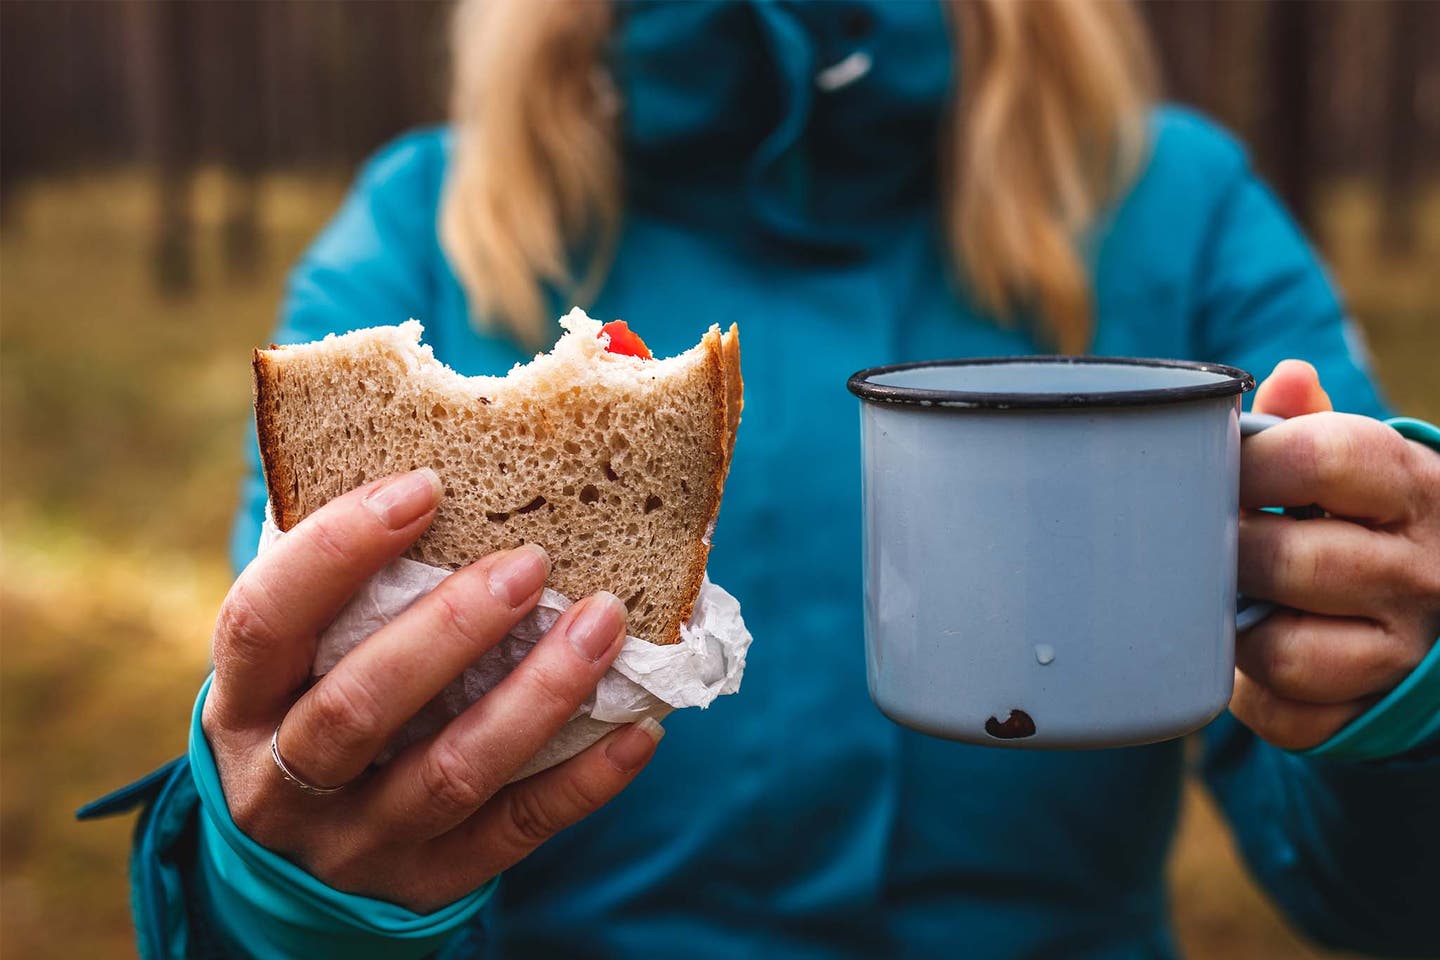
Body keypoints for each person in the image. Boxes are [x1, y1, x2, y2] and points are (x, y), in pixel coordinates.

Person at [82, 1, 1440, 957]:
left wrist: (1404, 689)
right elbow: (288, 796)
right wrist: (289, 896)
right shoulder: (424, 226)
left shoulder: (1176, 208)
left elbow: (1381, 893)